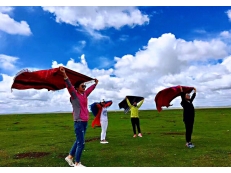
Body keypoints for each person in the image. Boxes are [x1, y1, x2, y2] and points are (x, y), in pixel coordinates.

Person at [59, 66, 98, 167]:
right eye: (82, 86)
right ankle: (77, 163)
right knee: (81, 143)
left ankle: (70, 157)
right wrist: (64, 74)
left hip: (85, 121)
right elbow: (69, 86)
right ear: (77, 88)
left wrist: (95, 84)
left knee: (78, 141)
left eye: (85, 86)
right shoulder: (74, 95)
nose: (84, 88)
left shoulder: (84, 94)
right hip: (79, 121)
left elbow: (90, 90)